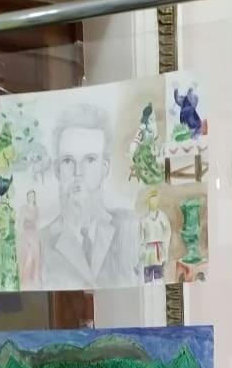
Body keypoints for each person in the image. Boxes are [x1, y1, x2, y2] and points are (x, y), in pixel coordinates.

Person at [40, 103, 138, 289]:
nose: (78, 172)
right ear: (57, 170)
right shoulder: (39, 243)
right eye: (68, 160)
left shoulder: (131, 228)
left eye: (90, 160)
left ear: (104, 168)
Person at [139, 190, 171, 283]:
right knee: (147, 280)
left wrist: (165, 253)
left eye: (155, 200)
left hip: (159, 253)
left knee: (159, 280)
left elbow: (167, 234)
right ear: (148, 202)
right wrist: (141, 254)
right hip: (148, 254)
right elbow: (141, 239)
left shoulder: (162, 217)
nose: (153, 202)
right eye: (151, 200)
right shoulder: (144, 219)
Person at [129, 103, 163, 185]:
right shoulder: (142, 127)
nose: (153, 118)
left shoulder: (153, 128)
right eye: (151, 117)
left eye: (153, 117)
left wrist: (156, 150)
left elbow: (154, 141)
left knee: (158, 169)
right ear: (147, 117)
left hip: (150, 152)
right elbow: (136, 140)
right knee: (147, 169)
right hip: (142, 153)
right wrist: (133, 151)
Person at [18, 189, 42, 289]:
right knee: (28, 255)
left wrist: (38, 236)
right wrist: (23, 237)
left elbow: (38, 223)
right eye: (29, 195)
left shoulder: (37, 208)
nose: (31, 197)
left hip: (34, 234)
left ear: (34, 197)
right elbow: (20, 223)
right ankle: (24, 280)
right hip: (26, 234)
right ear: (27, 197)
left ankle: (35, 277)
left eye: (33, 195)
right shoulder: (23, 208)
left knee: (36, 254)